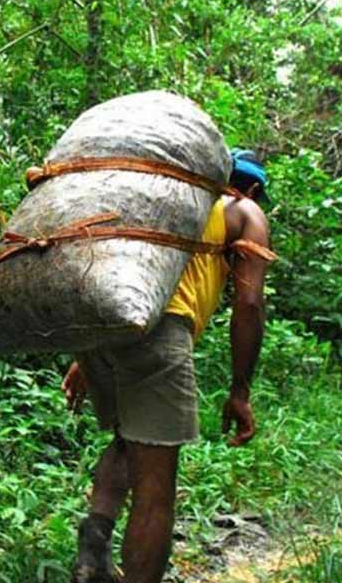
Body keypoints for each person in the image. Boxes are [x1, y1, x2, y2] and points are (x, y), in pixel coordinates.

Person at [61, 150, 273, 583]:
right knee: (156, 488)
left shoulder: (161, 201)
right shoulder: (243, 211)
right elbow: (249, 304)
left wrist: (86, 356)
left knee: (125, 440)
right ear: (250, 188)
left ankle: (93, 548)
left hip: (102, 327)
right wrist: (240, 390)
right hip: (158, 331)